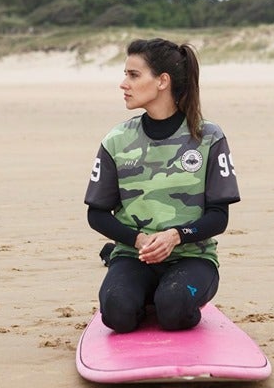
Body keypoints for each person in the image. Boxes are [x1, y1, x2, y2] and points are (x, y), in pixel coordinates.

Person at [84, 37, 240, 333]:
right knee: (117, 313)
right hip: (134, 256)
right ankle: (139, 293)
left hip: (192, 258)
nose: (123, 83)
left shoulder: (208, 138)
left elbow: (219, 217)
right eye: (125, 74)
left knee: (174, 308)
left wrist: (175, 236)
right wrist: (139, 240)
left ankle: (167, 298)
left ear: (162, 81)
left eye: (133, 75)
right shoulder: (117, 141)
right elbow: (97, 214)